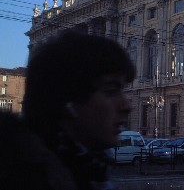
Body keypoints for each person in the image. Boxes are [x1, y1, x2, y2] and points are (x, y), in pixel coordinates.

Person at [0, 31, 134, 190]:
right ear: (67, 100)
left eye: (122, 89)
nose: (127, 106)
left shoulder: (89, 170)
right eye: (111, 89)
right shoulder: (30, 180)